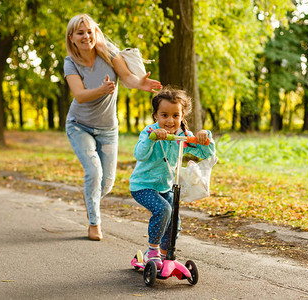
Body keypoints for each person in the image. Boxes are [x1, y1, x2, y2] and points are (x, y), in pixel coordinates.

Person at [64, 14, 162, 241]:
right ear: (72, 38)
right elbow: (79, 96)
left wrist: (140, 83)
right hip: (79, 126)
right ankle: (94, 223)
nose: (86, 36)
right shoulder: (70, 62)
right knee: (94, 172)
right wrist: (102, 89)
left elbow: (127, 77)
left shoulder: (108, 52)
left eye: (89, 31)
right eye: (80, 33)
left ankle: (91, 198)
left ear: (95, 32)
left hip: (107, 128)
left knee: (106, 184)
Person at [129, 86, 215, 269]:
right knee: (164, 210)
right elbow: (140, 154)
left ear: (182, 116)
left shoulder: (183, 135)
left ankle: (166, 253)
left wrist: (205, 137)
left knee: (174, 219)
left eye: (175, 116)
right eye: (164, 115)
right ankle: (152, 251)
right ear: (156, 115)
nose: (170, 120)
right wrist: (152, 138)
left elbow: (206, 152)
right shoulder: (149, 132)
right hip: (143, 185)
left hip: (166, 186)